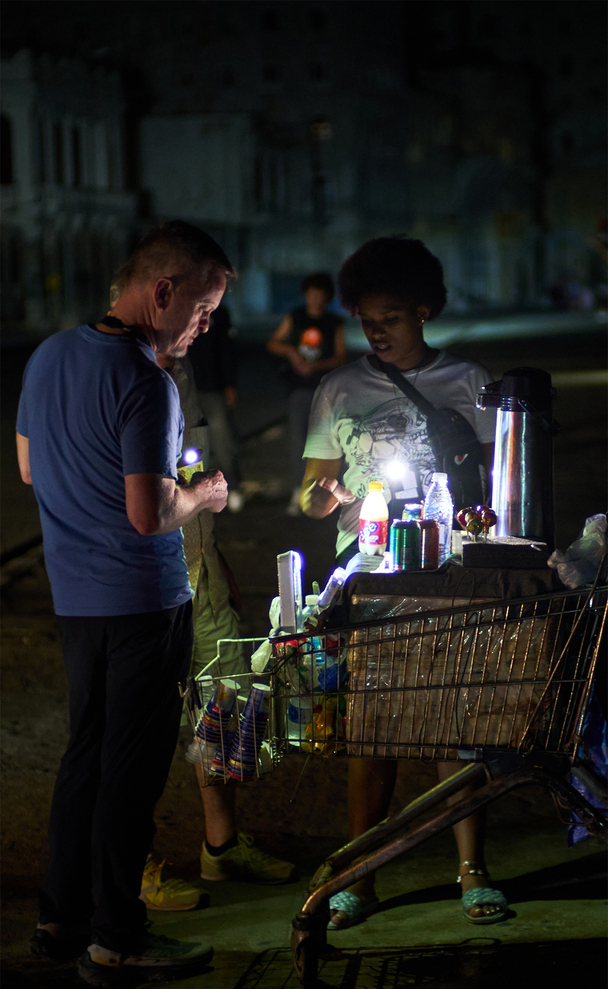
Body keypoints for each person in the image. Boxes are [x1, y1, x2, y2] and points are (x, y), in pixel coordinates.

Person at [17, 220, 234, 986]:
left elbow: (29, 469)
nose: (205, 327)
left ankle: (58, 919)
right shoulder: (146, 381)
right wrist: (200, 496)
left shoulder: (48, 356)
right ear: (163, 292)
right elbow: (148, 515)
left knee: (84, 756)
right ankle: (117, 936)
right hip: (143, 602)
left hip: (77, 600)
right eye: (203, 310)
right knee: (130, 771)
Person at [300, 236, 508, 930]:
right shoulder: (338, 387)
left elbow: (500, 490)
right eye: (365, 318)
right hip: (370, 580)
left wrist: (485, 519)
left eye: (390, 316)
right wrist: (325, 497)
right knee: (374, 729)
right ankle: (362, 871)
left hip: (451, 579)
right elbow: (309, 497)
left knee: (456, 723)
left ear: (424, 310)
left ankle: (473, 869)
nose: (376, 330)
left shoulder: (470, 382)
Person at [143, 347, 294, 904]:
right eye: (201, 306)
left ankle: (221, 847)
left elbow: (188, 470)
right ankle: (131, 865)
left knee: (225, 703)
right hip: (142, 581)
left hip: (199, 569)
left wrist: (214, 553)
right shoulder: (116, 369)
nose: (209, 325)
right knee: (138, 727)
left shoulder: (182, 367)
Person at [267, 272, 346, 515]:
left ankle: (328, 494)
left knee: (328, 444)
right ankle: (297, 492)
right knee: (298, 443)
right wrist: (292, 354)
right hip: (299, 389)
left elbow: (341, 356)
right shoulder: (297, 316)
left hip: (325, 391)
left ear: (327, 297)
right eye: (311, 294)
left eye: (319, 295)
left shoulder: (334, 322)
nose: (314, 299)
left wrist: (315, 366)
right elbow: (273, 343)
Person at [187, 303, 244, 512]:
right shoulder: (182, 307)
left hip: (213, 386)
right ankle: (195, 493)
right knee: (191, 444)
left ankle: (233, 487)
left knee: (223, 441)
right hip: (186, 387)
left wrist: (230, 383)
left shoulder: (219, 312)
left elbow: (227, 348)